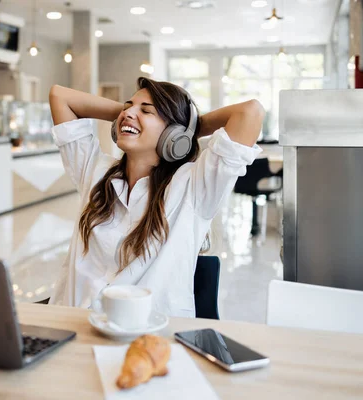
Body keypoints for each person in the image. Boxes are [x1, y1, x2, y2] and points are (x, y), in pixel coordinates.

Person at [48, 77, 264, 317]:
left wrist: (189, 129)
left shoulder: (194, 186)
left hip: (151, 333)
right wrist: (127, 116)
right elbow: (60, 96)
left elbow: (250, 112)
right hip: (74, 326)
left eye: (147, 110)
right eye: (127, 106)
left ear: (174, 133)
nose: (128, 112)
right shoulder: (95, 171)